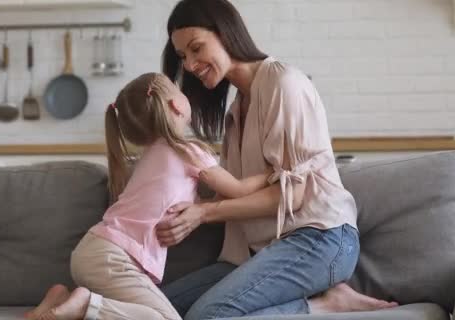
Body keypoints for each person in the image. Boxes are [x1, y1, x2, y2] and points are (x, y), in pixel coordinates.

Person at [157, 0, 398, 319]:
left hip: (320, 239)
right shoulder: (236, 110)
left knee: (209, 315)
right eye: (182, 57)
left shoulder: (284, 84)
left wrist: (204, 213)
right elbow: (237, 192)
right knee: (154, 308)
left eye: (196, 48)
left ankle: (325, 304)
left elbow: (293, 196)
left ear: (226, 33)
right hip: (260, 253)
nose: (189, 65)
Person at [24, 72, 273, 320]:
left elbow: (206, 201)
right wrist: (273, 173)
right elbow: (239, 190)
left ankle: (61, 300)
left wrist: (204, 207)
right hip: (112, 258)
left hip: (95, 252)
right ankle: (85, 306)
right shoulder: (190, 151)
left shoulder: (152, 156)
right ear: (175, 104)